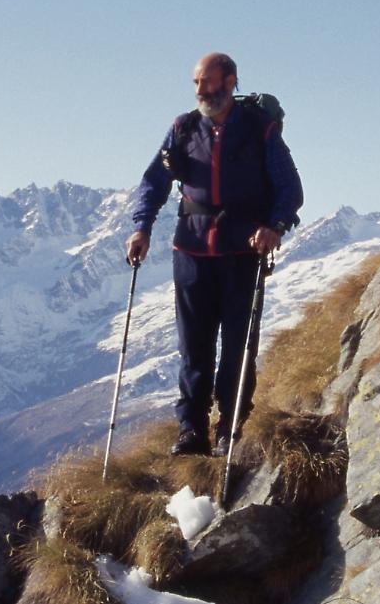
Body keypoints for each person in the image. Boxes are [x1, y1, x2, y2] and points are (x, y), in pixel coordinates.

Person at [126, 53, 303, 457]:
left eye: (209, 83)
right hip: (190, 250)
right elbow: (154, 182)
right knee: (194, 344)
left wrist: (273, 226)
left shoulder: (261, 129)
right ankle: (191, 429)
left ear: (231, 81)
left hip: (243, 251)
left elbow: (290, 189)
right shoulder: (184, 128)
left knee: (239, 344)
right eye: (196, 84)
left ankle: (230, 425)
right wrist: (141, 227)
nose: (202, 91)